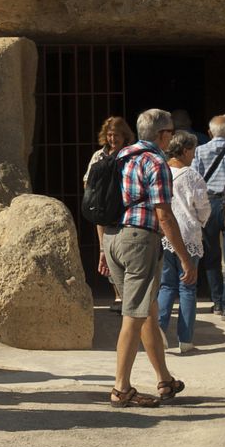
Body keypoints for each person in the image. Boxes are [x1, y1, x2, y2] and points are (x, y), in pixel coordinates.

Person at [104, 109, 190, 408]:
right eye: (171, 132)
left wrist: (103, 248)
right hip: (140, 239)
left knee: (147, 312)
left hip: (114, 238)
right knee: (134, 316)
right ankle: (121, 388)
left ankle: (165, 381)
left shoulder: (120, 155)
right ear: (163, 135)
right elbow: (164, 215)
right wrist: (185, 258)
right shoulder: (156, 162)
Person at [157, 131, 208, 354]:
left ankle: (158, 331)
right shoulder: (192, 176)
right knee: (188, 286)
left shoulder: (161, 171)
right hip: (188, 235)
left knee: (166, 284)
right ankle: (185, 340)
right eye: (194, 151)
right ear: (186, 150)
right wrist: (201, 221)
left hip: (164, 234)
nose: (194, 156)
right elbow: (204, 209)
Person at [195, 114, 225, 324]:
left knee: (211, 254)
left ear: (209, 132)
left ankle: (216, 301)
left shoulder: (200, 150)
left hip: (208, 203)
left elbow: (196, 179)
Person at [86, 116, 135, 308]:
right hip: (104, 209)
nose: (112, 139)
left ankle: (126, 296)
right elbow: (88, 180)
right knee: (106, 251)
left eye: (116, 135)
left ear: (125, 136)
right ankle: (117, 295)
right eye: (109, 135)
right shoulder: (99, 156)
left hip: (124, 207)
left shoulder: (130, 154)